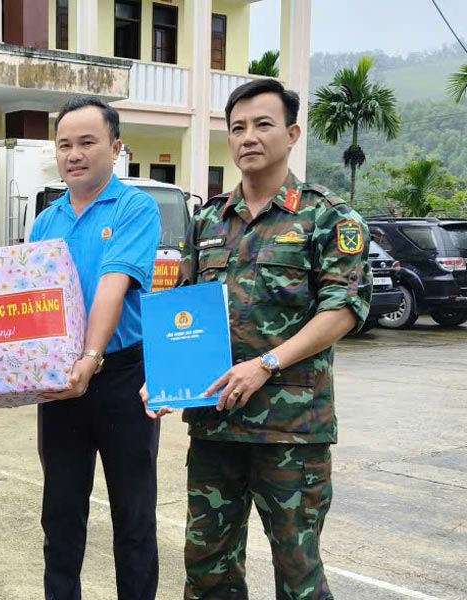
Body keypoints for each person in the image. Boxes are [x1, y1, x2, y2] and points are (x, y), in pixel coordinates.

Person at [141, 79, 371, 600]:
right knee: (207, 568)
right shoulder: (208, 220)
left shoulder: (328, 217)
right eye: (238, 127)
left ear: (291, 134)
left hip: (290, 433)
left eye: (262, 124)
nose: (248, 137)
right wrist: (165, 379)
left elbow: (342, 309)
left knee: (298, 571)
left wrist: (266, 362)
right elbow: (184, 310)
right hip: (216, 428)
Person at [29, 96, 162, 600]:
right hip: (59, 382)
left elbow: (113, 282)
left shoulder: (135, 208)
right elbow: (32, 304)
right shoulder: (47, 222)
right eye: (65, 145)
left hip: (122, 378)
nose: (74, 154)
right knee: (60, 514)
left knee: (133, 514)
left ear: (116, 147)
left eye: (87, 142)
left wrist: (91, 357)